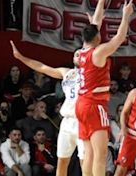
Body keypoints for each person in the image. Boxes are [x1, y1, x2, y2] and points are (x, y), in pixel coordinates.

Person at [75, 0, 134, 176]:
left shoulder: (82, 51)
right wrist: (126, 16)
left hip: (81, 104)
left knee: (89, 154)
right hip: (95, 105)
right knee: (101, 154)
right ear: (97, 38)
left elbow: (96, 23)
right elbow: (119, 37)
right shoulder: (98, 53)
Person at [11, 41, 82, 176]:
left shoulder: (91, 73)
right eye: (76, 54)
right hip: (67, 120)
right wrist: (21, 57)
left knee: (85, 161)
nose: (78, 56)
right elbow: (42, 67)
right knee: (62, 160)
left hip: (82, 120)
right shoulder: (67, 72)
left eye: (81, 54)